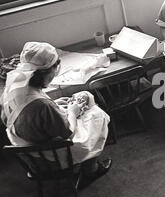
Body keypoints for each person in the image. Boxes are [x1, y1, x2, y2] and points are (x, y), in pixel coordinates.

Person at [0, 42, 112, 189]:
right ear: (47, 71)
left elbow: (15, 112)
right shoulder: (43, 106)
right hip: (46, 153)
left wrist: (55, 104)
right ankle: (90, 170)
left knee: (81, 105)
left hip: (25, 144)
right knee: (97, 115)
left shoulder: (15, 83)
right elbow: (68, 133)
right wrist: (72, 111)